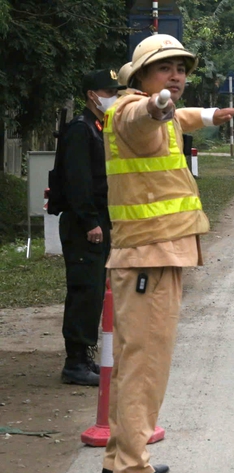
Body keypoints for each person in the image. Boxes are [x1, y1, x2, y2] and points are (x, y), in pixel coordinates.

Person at [100, 33, 234, 473]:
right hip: (149, 254)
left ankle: (119, 458)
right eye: (166, 68)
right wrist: (158, 106)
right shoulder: (133, 111)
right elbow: (149, 117)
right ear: (141, 76)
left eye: (182, 68)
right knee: (146, 363)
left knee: (131, 362)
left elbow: (174, 119)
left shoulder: (153, 111)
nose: (177, 75)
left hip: (152, 253)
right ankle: (132, 466)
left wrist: (208, 115)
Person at [59, 69, 124, 386]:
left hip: (98, 221)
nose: (113, 96)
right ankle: (74, 363)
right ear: (91, 95)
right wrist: (90, 222)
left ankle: (85, 356)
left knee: (95, 290)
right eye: (108, 90)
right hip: (85, 224)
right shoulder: (80, 130)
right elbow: (78, 182)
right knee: (85, 290)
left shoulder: (99, 127)